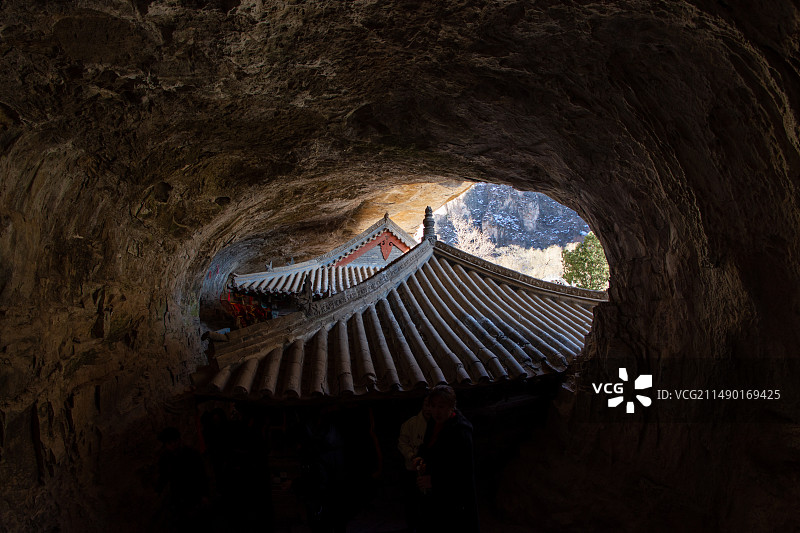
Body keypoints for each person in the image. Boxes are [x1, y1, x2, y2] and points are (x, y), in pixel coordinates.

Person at [414, 385, 479, 533]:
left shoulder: (461, 432)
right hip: (435, 494)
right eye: (434, 406)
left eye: (441, 407)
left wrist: (434, 481)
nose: (437, 411)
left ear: (451, 407)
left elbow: (463, 472)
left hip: (453, 498)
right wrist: (419, 457)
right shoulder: (435, 422)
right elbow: (428, 444)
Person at [398, 397, 432, 532]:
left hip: (428, 470)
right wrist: (412, 456)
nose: (429, 409)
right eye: (426, 405)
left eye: (432, 406)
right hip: (411, 469)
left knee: (427, 502)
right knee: (411, 501)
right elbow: (402, 443)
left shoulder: (438, 425)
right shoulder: (410, 424)